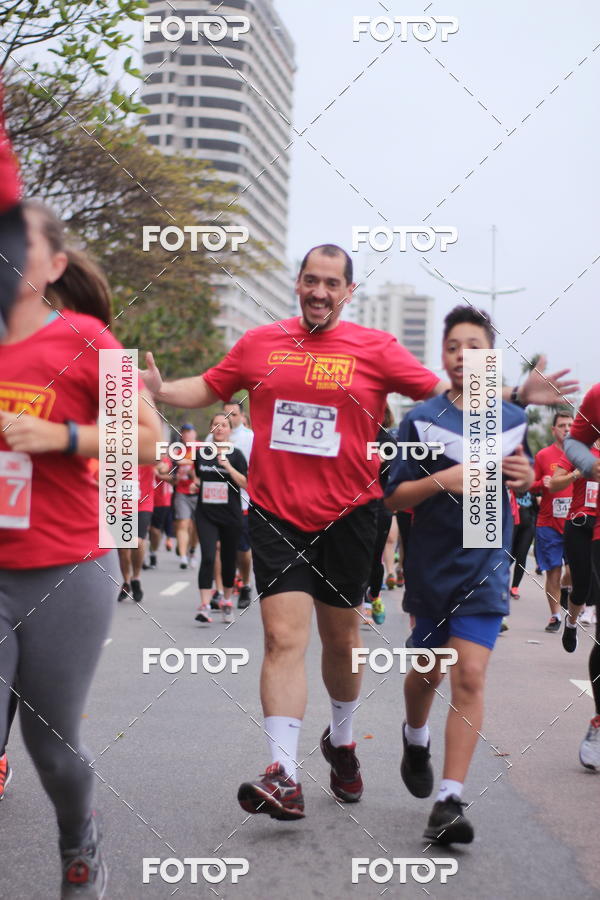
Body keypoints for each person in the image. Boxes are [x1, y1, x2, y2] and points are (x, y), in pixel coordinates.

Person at [141, 243, 577, 821]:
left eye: (331, 283)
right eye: (310, 280)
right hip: (276, 512)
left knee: (343, 643)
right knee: (281, 639)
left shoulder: (375, 348)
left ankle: (342, 741)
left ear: (349, 292)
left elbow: (440, 392)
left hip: (350, 517)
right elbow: (211, 385)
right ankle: (283, 773)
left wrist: (515, 396)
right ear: (298, 284)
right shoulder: (260, 343)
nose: (319, 291)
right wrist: (160, 388)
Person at [0, 199, 161, 897]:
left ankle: (80, 842)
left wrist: (63, 438)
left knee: (54, 749)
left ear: (54, 265)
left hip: (66, 570)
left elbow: (152, 439)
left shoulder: (86, 338)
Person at [385, 304, 533, 844]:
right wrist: (443, 481)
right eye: (453, 347)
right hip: (432, 565)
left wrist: (524, 477)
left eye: (475, 347)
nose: (463, 357)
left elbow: (524, 478)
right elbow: (393, 495)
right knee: (427, 672)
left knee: (468, 674)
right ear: (443, 356)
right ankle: (415, 735)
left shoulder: (511, 420)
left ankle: (449, 800)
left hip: (486, 565)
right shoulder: (420, 418)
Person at [563, 386, 600, 770]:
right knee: (585, 587)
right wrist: (586, 466)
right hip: (584, 525)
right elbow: (575, 442)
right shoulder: (597, 396)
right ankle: (599, 722)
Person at [194, 413, 248, 625]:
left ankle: (226, 600)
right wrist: (195, 484)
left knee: (228, 559)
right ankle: (205, 606)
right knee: (207, 556)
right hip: (206, 513)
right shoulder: (200, 454)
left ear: (229, 430)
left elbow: (244, 483)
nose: (219, 428)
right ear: (210, 428)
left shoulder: (237, 455)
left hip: (230, 515)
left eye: (223, 425)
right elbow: (197, 475)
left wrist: (227, 466)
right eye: (215, 424)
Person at [549, 441, 600, 651]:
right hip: (579, 523)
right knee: (582, 587)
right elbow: (553, 483)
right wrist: (576, 474)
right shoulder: (580, 448)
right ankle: (571, 625)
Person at [532, 413, 574, 632]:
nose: (566, 429)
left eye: (570, 425)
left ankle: (567, 591)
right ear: (553, 430)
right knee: (553, 571)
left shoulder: (584, 455)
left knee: (575, 571)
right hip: (549, 523)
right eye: (561, 425)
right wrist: (541, 482)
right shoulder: (543, 455)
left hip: (576, 522)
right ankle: (555, 615)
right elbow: (530, 484)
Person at [222, 399, 254, 609]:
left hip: (242, 499)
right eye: (226, 415)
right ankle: (224, 587)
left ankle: (246, 584)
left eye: (233, 415)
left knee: (242, 549)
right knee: (221, 547)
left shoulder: (250, 438)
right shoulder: (214, 436)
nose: (229, 419)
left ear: (241, 416)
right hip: (217, 501)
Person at [117, 463, 155, 603]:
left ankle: (136, 577)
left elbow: (162, 465)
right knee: (122, 548)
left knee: (136, 541)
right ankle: (126, 581)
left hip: (142, 504)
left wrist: (162, 467)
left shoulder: (146, 451)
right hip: (120, 505)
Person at [172, 423, 199, 569]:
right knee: (183, 523)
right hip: (182, 492)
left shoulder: (202, 448)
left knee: (196, 527)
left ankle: (192, 550)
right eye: (184, 432)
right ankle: (183, 556)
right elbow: (172, 472)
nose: (187, 435)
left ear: (195, 434)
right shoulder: (177, 451)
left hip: (198, 492)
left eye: (189, 432)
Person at [510, 490, 536, 598]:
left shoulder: (534, 484)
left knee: (521, 556)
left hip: (528, 526)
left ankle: (515, 587)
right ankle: (495, 581)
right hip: (511, 523)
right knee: (508, 555)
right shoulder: (510, 482)